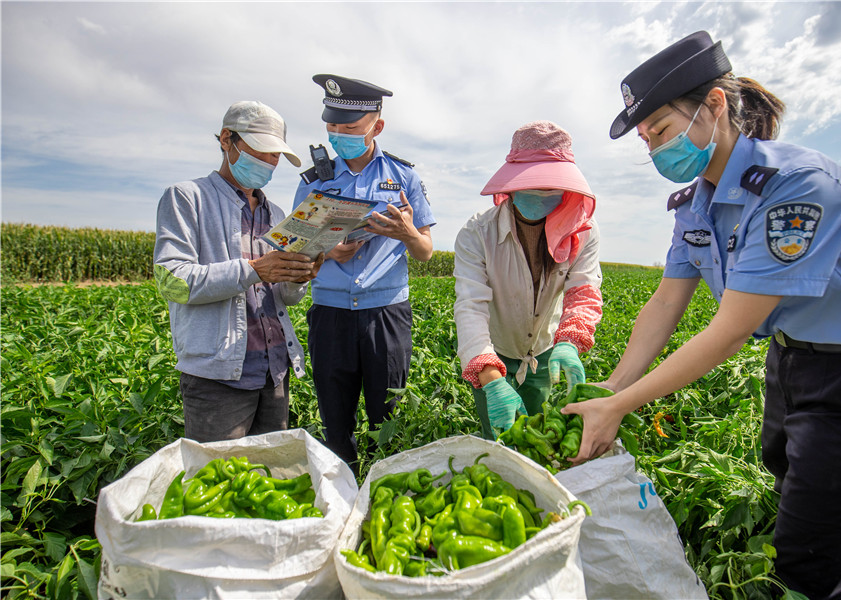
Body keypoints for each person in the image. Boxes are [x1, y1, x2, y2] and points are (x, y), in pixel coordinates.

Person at [561, 31, 841, 600]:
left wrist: (619, 407)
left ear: (714, 105)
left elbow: (731, 329)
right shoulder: (696, 203)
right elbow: (665, 302)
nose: (655, 150)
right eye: (646, 141)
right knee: (798, 496)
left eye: (661, 130)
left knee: (813, 559)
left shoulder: (796, 186)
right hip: (790, 363)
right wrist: (610, 386)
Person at [154, 100, 323, 443]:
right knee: (217, 471)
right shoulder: (187, 198)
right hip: (219, 377)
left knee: (268, 471)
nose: (269, 161)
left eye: (275, 155)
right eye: (260, 150)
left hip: (275, 371)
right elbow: (173, 281)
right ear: (226, 140)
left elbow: (284, 298)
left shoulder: (277, 214)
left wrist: (299, 277)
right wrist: (254, 270)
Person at [293, 74, 435, 474]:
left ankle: (381, 490)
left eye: (350, 128)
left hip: (385, 315)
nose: (339, 135)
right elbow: (296, 248)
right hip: (330, 314)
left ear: (377, 126)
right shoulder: (314, 181)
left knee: (385, 421)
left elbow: (424, 251)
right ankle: (342, 493)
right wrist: (327, 251)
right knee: (335, 422)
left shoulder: (403, 177)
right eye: (333, 127)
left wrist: (406, 233)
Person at [454, 120, 603, 439]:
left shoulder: (583, 232)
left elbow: (583, 291)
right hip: (492, 349)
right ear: (512, 184)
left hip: (545, 351)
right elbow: (470, 306)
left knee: (537, 433)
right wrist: (490, 377)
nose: (541, 192)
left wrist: (570, 342)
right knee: (497, 434)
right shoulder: (477, 233)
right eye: (533, 183)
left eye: (551, 185)